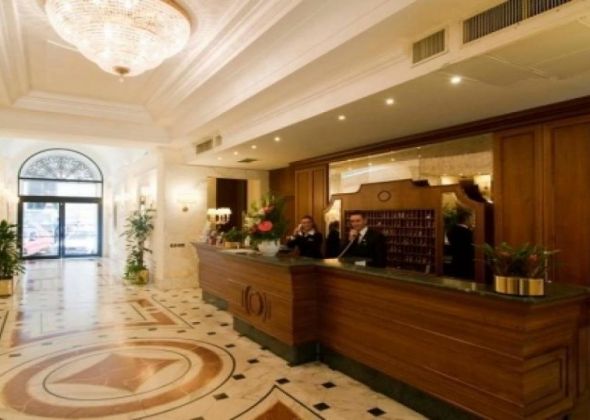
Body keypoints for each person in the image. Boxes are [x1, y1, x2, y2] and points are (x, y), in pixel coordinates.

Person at [447, 209, 474, 279]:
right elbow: (470, 247)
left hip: (455, 260)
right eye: (472, 219)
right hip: (466, 263)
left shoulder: (451, 230)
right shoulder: (468, 233)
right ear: (466, 219)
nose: (473, 221)